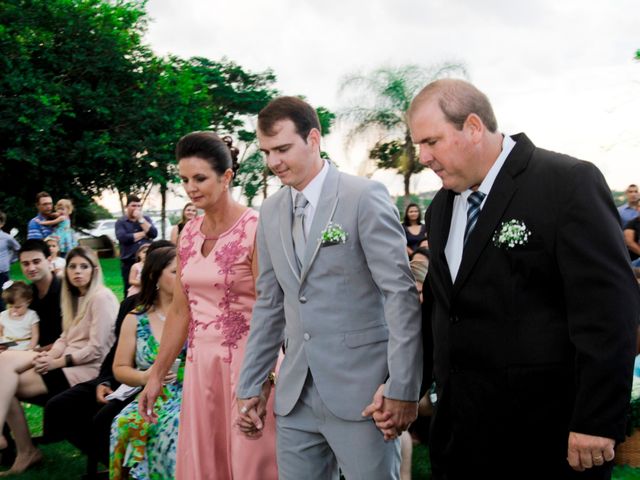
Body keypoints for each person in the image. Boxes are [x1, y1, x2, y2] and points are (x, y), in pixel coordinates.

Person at [385, 78, 639, 479]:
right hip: (461, 437)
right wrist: (407, 388)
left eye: (431, 142)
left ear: (472, 126)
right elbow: (440, 310)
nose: (423, 157)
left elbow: (609, 311)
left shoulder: (566, 183)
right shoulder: (442, 207)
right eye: (420, 145)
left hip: (546, 438)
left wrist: (596, 419)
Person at [233, 96, 422, 480]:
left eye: (283, 149)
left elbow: (399, 295)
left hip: (362, 394)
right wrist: (251, 384)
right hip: (295, 396)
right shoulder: (269, 212)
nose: (273, 162)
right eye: (267, 152)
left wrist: (402, 386)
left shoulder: (363, 197)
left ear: (314, 138)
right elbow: (270, 304)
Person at [137, 132, 278, 480]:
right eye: (184, 179)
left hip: (249, 365)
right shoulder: (188, 233)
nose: (190, 188)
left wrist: (262, 377)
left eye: (199, 178)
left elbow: (270, 309)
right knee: (205, 463)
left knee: (250, 462)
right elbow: (181, 311)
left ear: (226, 176)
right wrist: (156, 374)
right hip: (201, 368)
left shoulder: (256, 228)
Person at [42, 240, 174, 477]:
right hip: (123, 378)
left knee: (105, 419)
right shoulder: (132, 308)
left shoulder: (189, 310)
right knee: (60, 408)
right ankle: (113, 460)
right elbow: (115, 354)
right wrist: (104, 381)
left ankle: (124, 465)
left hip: (154, 386)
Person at [0, 245, 118, 474]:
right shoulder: (75, 297)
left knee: (4, 372)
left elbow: (97, 350)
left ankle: (25, 451)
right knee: (4, 369)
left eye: (84, 267)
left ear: (95, 270)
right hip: (65, 362)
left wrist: (56, 362)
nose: (77, 272)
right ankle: (26, 452)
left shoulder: (101, 297)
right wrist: (47, 357)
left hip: (88, 370)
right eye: (73, 266)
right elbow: (65, 337)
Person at [110, 246, 185, 479]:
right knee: (121, 423)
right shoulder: (136, 319)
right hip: (152, 395)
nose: (183, 277)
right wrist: (146, 376)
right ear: (154, 276)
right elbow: (119, 368)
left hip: (192, 393)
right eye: (175, 271)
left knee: (172, 427)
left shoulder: (196, 315)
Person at [18, 239, 63, 349]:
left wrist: (36, 352)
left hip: (62, 354)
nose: (31, 268)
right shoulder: (25, 294)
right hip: (30, 351)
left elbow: (74, 338)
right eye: (25, 264)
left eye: (36, 262)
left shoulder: (66, 291)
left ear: (49, 260)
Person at [115, 195, 157, 293]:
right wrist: (144, 233)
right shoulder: (121, 222)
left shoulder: (145, 219)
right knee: (129, 290)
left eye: (139, 206)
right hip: (129, 261)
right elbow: (123, 238)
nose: (136, 208)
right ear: (127, 207)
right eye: (133, 205)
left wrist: (141, 220)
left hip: (146, 261)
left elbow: (153, 234)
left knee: (149, 288)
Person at [0, 281, 39, 351]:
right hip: (8, 348)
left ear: (28, 302)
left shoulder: (31, 315)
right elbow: (0, 331)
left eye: (18, 307)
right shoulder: (3, 315)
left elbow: (35, 335)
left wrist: (30, 348)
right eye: (10, 306)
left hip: (25, 346)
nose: (13, 310)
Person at [0, 211, 20, 311]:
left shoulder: (6, 237)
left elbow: (18, 248)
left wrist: (12, 260)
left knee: (4, 295)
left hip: (3, 271)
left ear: (2, 224)